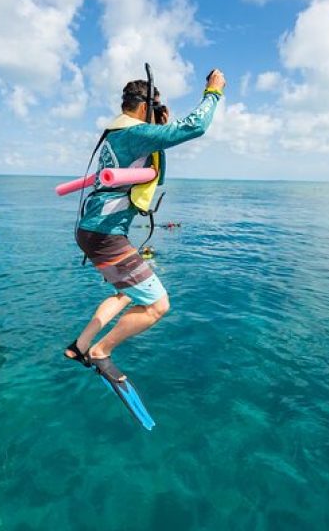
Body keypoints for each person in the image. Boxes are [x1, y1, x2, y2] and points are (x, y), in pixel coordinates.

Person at [65, 69, 226, 383]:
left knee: (125, 294)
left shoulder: (117, 133)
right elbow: (195, 126)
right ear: (144, 108)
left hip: (91, 230)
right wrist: (213, 91)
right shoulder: (135, 134)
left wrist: (158, 124)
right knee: (157, 305)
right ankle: (100, 351)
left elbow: (151, 160)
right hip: (105, 234)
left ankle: (80, 346)